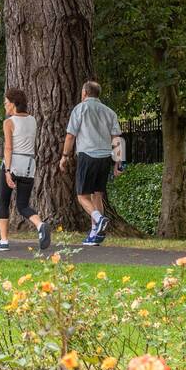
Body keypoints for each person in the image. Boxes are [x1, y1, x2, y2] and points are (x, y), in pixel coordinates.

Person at [59, 81, 125, 246]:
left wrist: (65, 156)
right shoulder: (109, 112)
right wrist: (119, 161)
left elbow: (70, 136)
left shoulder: (80, 109)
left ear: (84, 93)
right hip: (105, 157)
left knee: (82, 196)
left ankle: (99, 219)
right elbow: (116, 138)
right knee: (97, 194)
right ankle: (96, 233)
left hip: (87, 155)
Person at [0, 87, 51, 252]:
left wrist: (7, 171)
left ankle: (3, 241)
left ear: (12, 104)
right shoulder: (32, 120)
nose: (5, 106)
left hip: (13, 162)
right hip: (29, 165)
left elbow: (8, 148)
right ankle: (40, 225)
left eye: (6, 103)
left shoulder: (9, 122)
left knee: (3, 202)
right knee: (23, 205)